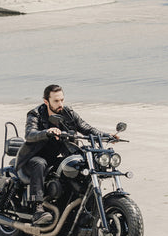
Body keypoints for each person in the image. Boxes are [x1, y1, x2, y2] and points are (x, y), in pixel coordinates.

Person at [14, 84, 107, 226]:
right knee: (39, 163)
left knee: (78, 167)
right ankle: (38, 209)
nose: (60, 104)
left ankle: (78, 210)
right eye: (56, 101)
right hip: (31, 158)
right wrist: (47, 132)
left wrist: (107, 135)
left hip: (53, 158)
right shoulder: (35, 114)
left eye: (62, 100)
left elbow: (86, 128)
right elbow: (29, 134)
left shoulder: (68, 113)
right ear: (46, 101)